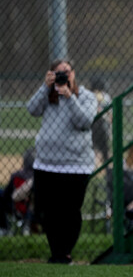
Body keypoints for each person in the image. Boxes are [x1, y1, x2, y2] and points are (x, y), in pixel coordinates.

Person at [27, 59, 97, 264]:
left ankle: (64, 253)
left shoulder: (86, 96)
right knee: (48, 211)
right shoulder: (48, 95)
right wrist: (45, 87)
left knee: (70, 212)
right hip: (47, 163)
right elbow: (32, 109)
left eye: (67, 71)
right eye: (58, 72)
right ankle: (57, 253)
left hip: (76, 164)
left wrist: (69, 96)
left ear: (73, 73)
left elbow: (84, 121)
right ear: (51, 75)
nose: (63, 75)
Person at [89, 78, 112, 164]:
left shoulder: (104, 96)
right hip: (94, 123)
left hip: (101, 122)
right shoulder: (90, 95)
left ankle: (105, 162)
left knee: (102, 146)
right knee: (95, 145)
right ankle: (100, 162)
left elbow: (110, 112)